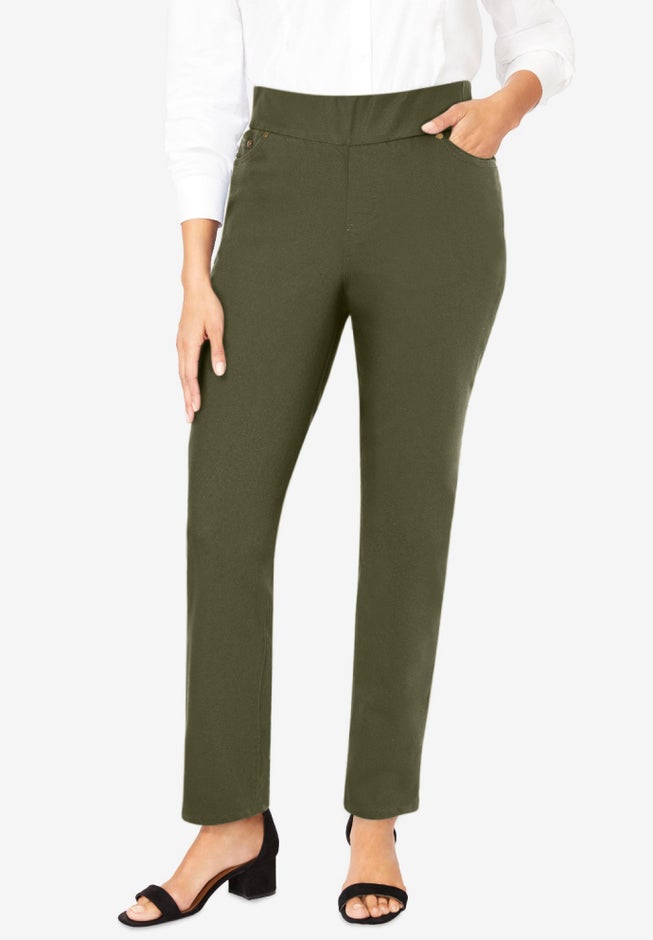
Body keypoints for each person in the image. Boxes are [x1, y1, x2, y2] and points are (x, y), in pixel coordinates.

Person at [118, 0, 575, 927]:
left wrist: (505, 106)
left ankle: (376, 818)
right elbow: (203, 84)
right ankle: (229, 820)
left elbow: (540, 36)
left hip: (434, 177)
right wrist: (195, 272)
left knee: (409, 509)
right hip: (279, 176)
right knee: (225, 509)